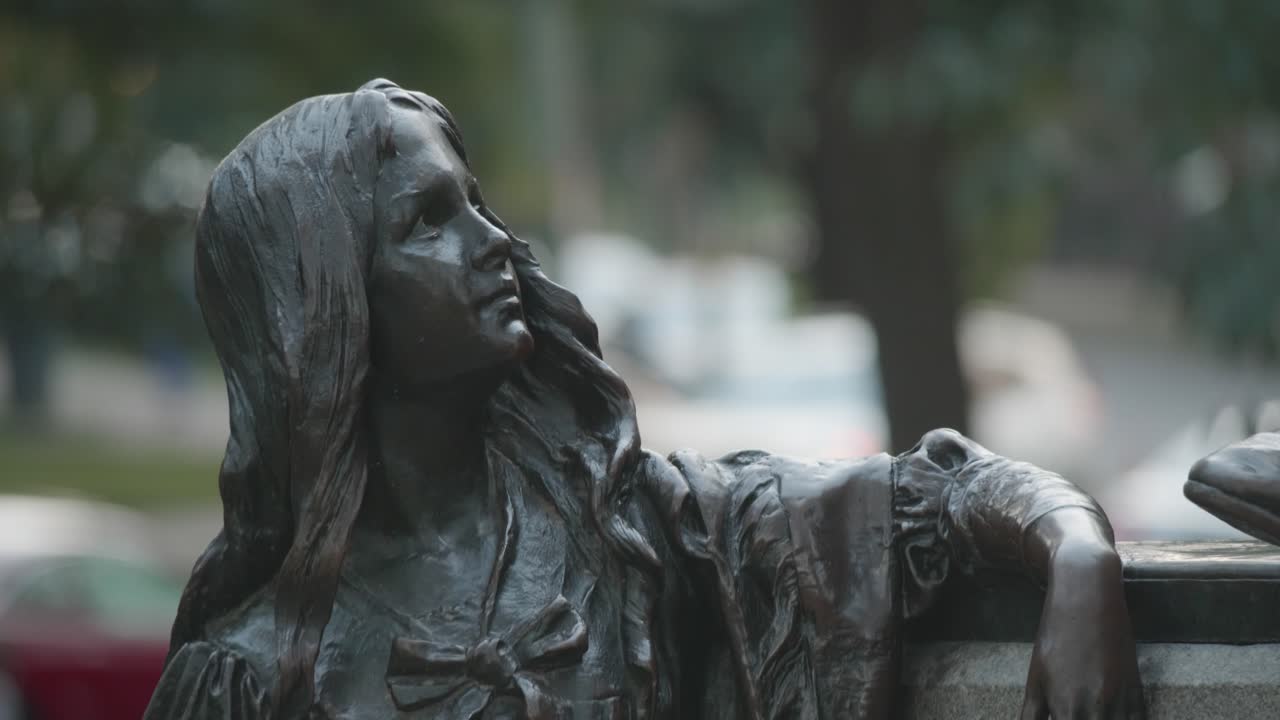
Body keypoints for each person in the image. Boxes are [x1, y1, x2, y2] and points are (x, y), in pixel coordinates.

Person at [144, 79, 1144, 719]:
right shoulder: (246, 674)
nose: (492, 240)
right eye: (427, 221)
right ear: (328, 313)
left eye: (475, 201)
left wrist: (1076, 550)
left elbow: (927, 499)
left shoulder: (627, 524)